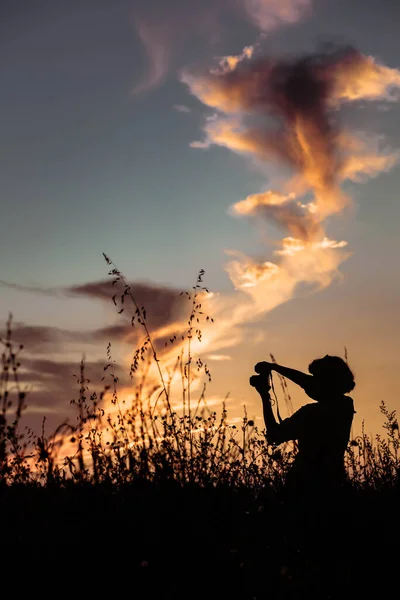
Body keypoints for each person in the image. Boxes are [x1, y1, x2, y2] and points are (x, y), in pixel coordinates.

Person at [250, 356, 355, 494]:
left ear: (325, 383)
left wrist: (264, 395)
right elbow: (307, 382)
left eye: (315, 378)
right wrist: (275, 367)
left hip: (305, 482)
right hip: (334, 480)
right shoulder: (345, 405)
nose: (310, 381)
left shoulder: (311, 413)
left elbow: (274, 435)